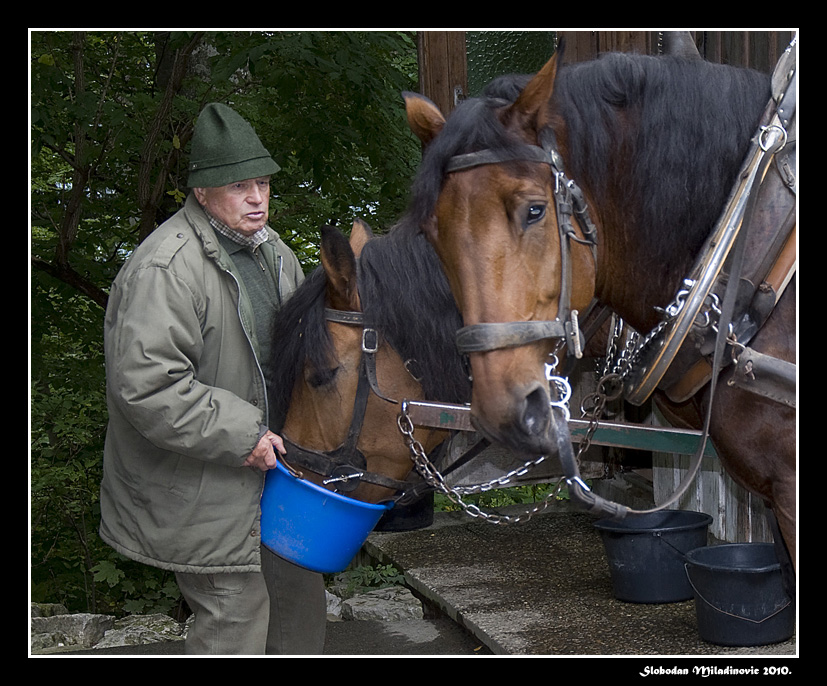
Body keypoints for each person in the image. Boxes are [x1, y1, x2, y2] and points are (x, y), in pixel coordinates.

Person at [99, 103, 327, 655]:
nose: (256, 198)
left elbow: (299, 357)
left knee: (301, 608)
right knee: (236, 619)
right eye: (238, 185)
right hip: (201, 491)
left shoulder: (274, 253)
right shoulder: (165, 268)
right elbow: (148, 386)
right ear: (202, 192)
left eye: (264, 183)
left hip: (277, 481)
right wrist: (244, 434)